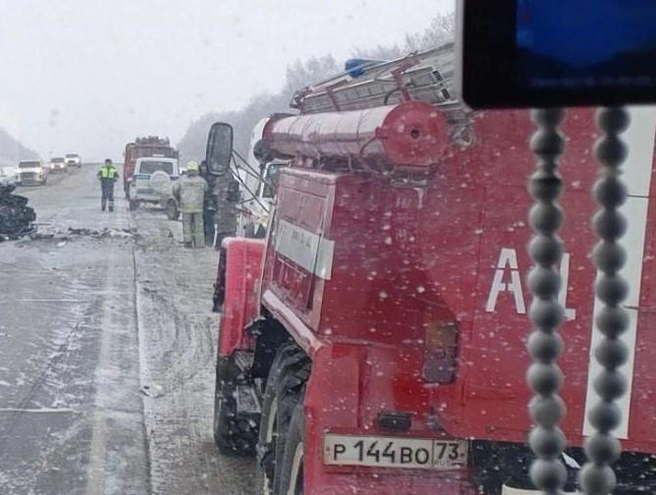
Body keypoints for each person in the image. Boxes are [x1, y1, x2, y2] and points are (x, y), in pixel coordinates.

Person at [172, 160, 208, 248]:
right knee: (199, 225)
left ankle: (188, 242)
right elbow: (206, 190)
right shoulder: (202, 181)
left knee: (186, 225)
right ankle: (199, 243)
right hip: (198, 207)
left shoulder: (182, 180)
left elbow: (175, 190)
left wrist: (179, 198)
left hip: (186, 207)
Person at [199, 160, 217, 246]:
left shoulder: (213, 176)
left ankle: (209, 240)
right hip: (200, 202)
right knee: (202, 222)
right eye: (203, 167)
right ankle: (203, 239)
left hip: (210, 202)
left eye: (205, 167)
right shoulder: (199, 176)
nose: (204, 169)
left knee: (210, 222)